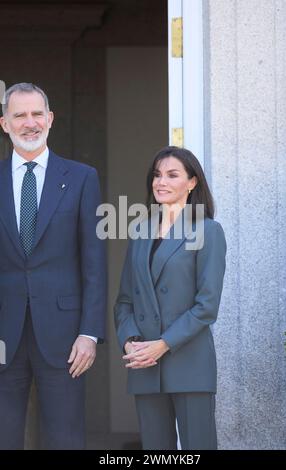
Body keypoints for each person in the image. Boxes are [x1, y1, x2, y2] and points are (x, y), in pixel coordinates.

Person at [0, 83, 107, 449]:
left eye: (36, 114)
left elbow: (94, 261)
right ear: (4, 123)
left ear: (50, 118)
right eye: (20, 115)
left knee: (65, 438)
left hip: (66, 336)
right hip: (2, 334)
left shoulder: (81, 178)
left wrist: (90, 333)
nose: (30, 123)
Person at [114, 146, 226, 450]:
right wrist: (130, 341)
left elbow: (206, 307)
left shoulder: (208, 230)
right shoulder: (140, 231)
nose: (161, 182)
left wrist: (162, 345)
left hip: (189, 364)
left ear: (192, 182)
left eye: (172, 175)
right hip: (145, 367)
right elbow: (124, 301)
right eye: (157, 175)